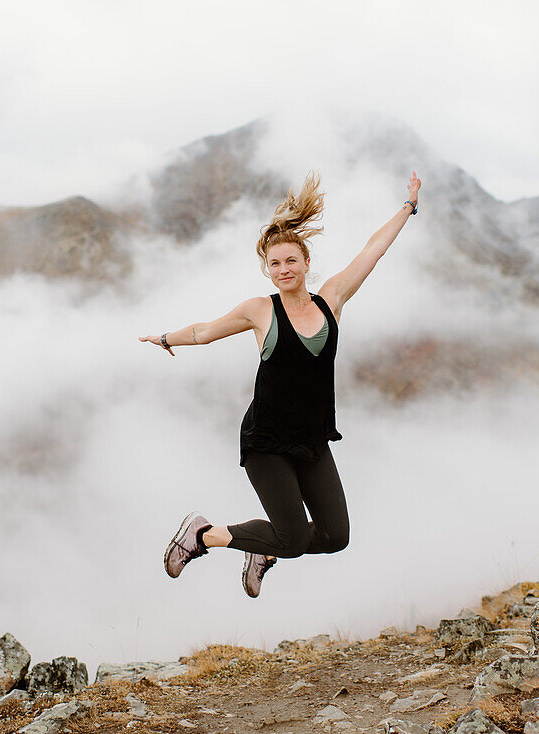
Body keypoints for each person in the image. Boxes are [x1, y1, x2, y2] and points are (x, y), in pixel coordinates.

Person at [140, 170, 421, 597]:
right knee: (291, 539)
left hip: (311, 440)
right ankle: (203, 535)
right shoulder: (260, 311)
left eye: (292, 260)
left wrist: (408, 206)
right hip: (266, 442)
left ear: (306, 263)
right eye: (275, 264)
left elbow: (373, 251)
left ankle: (262, 549)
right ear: (267, 270)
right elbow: (204, 331)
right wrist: (165, 339)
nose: (284, 269)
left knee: (335, 537)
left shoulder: (331, 301)